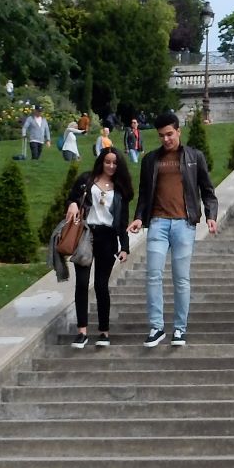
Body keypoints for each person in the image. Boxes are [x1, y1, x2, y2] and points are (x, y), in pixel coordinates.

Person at [128, 110, 219, 348]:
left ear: (179, 131)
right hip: (157, 223)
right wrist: (138, 218)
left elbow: (207, 190)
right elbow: (144, 194)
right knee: (153, 275)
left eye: (169, 134)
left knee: (181, 278)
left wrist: (211, 216)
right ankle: (156, 327)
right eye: (161, 135)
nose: (166, 139)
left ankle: (179, 328)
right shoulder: (150, 160)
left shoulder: (194, 157)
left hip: (184, 224)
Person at [64, 146, 132, 349]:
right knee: (82, 283)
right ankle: (82, 332)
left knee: (101, 285)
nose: (110, 166)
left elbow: (122, 221)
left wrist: (125, 247)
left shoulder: (120, 189)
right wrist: (72, 204)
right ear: (101, 162)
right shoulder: (87, 180)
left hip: (107, 237)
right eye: (107, 161)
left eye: (114, 163)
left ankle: (104, 331)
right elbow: (72, 198)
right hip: (85, 234)